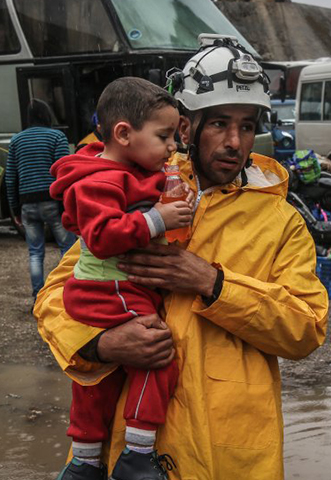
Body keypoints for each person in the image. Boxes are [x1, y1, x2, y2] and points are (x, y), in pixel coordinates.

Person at [35, 35, 328, 480]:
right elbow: (58, 292)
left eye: (247, 126)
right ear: (187, 127)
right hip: (131, 453)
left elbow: (305, 328)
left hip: (229, 454)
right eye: (220, 124)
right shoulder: (132, 193)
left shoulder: (281, 221)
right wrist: (100, 343)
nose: (234, 141)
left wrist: (213, 284)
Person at [48, 77, 192, 479]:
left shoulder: (122, 169)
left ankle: (86, 462)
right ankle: (136, 457)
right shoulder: (100, 180)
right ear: (124, 134)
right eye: (164, 136)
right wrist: (157, 218)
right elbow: (103, 236)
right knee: (159, 356)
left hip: (106, 287)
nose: (173, 148)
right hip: (111, 286)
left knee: (98, 378)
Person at [4, 99, 76, 299]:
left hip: (27, 204)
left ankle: (37, 296)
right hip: (53, 201)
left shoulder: (17, 140)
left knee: (35, 253)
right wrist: (68, 206)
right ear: (47, 115)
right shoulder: (57, 137)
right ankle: (67, 294)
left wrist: (16, 209)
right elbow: (65, 173)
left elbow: (11, 177)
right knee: (68, 250)